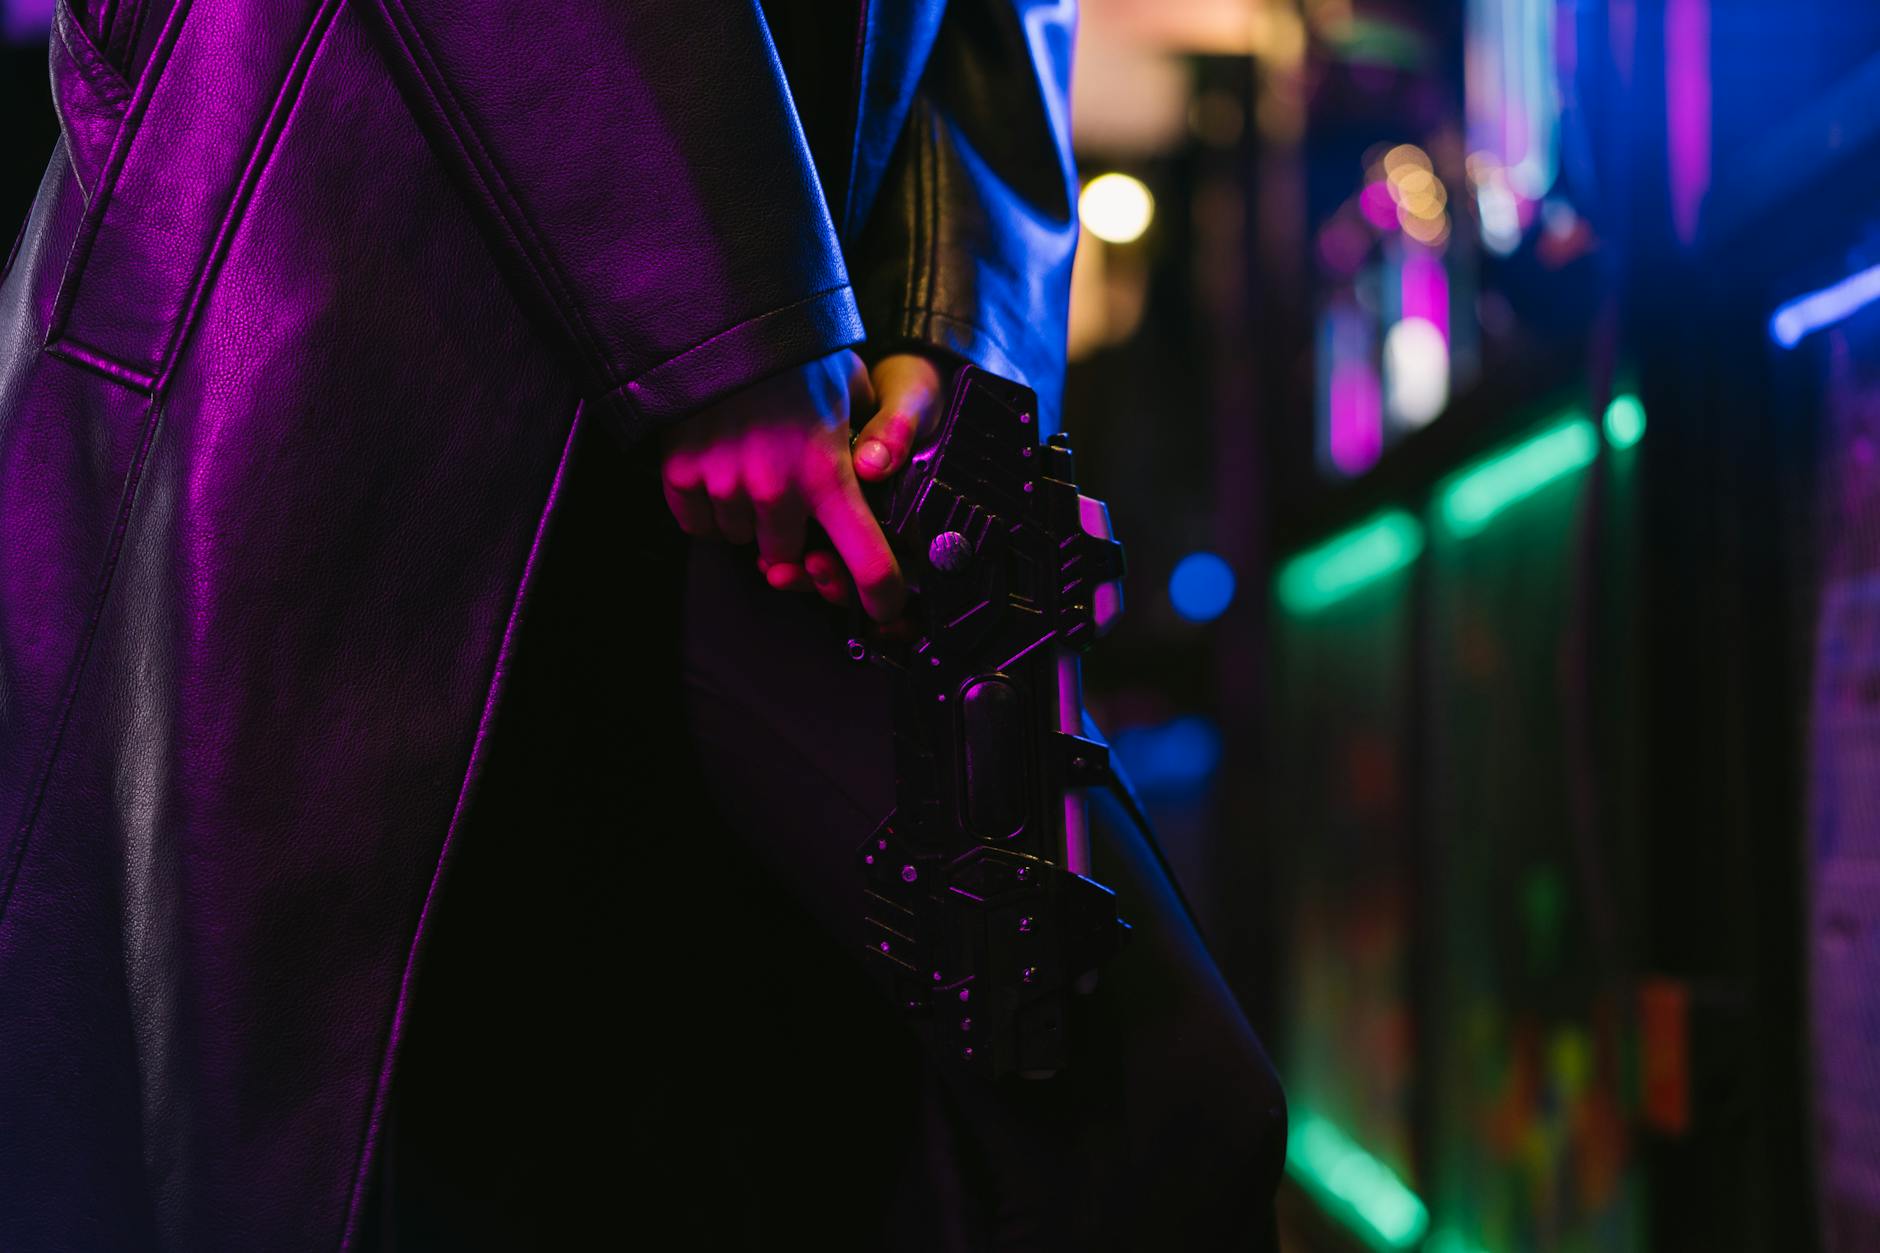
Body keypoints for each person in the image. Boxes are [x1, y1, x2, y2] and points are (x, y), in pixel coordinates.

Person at [0, 1, 1284, 1248]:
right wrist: (733, 304)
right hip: (381, 284)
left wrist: (946, 327)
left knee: (1133, 1119)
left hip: (812, 411)